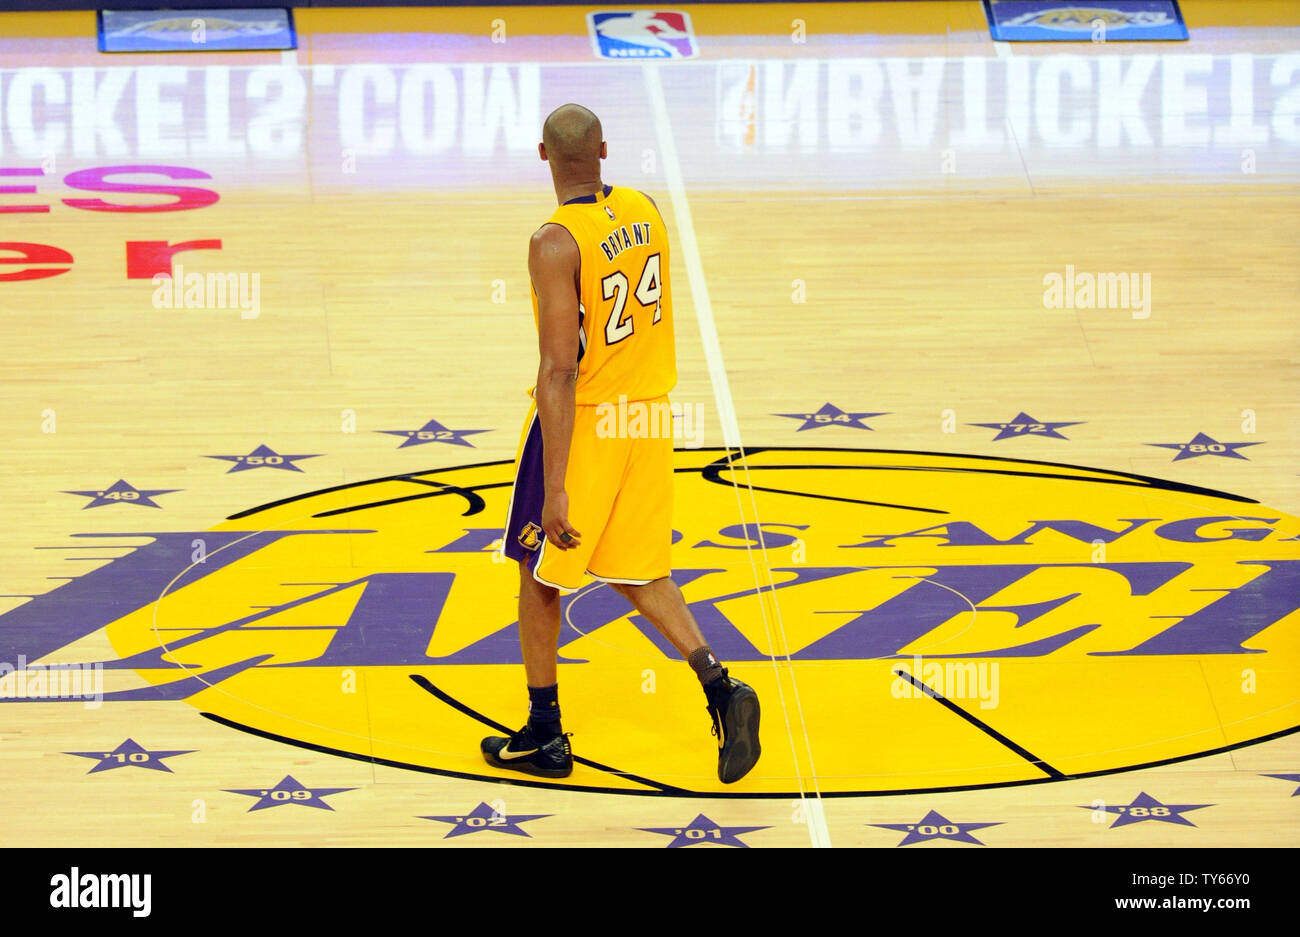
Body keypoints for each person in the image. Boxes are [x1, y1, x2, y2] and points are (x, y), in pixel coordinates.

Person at [486, 103, 761, 784]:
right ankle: (719, 684)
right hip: (649, 416)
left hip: (587, 425)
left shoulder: (553, 241)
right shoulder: (645, 208)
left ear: (543, 155)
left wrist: (555, 486)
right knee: (641, 569)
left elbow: (559, 366)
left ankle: (546, 733)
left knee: (538, 570)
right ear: (603, 150)